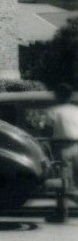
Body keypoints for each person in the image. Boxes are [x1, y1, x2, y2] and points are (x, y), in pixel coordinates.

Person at [47, 83, 78, 223]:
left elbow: (46, 129)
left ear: (58, 95)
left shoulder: (54, 111)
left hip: (62, 146)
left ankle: (61, 213)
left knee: (64, 182)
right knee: (71, 181)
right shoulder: (75, 110)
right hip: (76, 145)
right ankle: (61, 212)